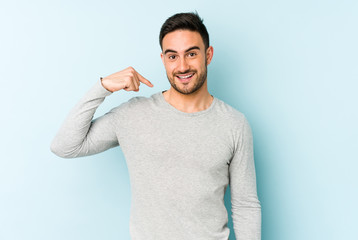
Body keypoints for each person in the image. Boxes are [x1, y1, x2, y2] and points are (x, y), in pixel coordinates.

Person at [50, 12, 261, 240]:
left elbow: (245, 205)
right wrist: (103, 87)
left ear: (208, 55)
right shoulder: (133, 115)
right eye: (173, 56)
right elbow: (65, 146)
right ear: (163, 59)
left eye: (191, 54)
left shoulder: (234, 124)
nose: (182, 66)